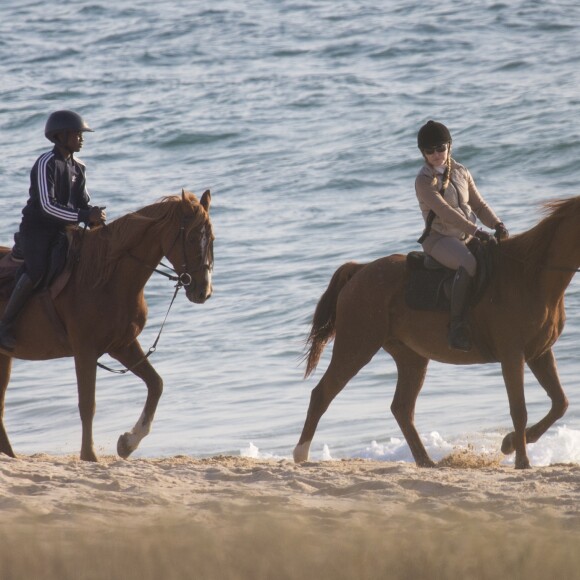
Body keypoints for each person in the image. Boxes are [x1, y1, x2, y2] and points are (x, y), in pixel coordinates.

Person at [0, 110, 106, 351]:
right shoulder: (45, 163)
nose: (82, 138)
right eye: (77, 134)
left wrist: (93, 216)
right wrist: (82, 215)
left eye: (81, 134)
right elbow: (47, 207)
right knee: (37, 270)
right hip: (37, 230)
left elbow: (82, 203)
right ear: (61, 136)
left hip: (64, 231)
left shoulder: (79, 168)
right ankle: (5, 325)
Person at [415, 120, 508, 352]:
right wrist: (477, 231)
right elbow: (445, 212)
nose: (436, 154)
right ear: (423, 153)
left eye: (441, 148)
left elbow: (478, 204)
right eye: (430, 151)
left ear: (449, 147)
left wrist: (497, 224)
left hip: (465, 236)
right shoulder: (424, 181)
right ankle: (457, 327)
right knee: (468, 263)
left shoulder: (460, 171)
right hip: (439, 239)